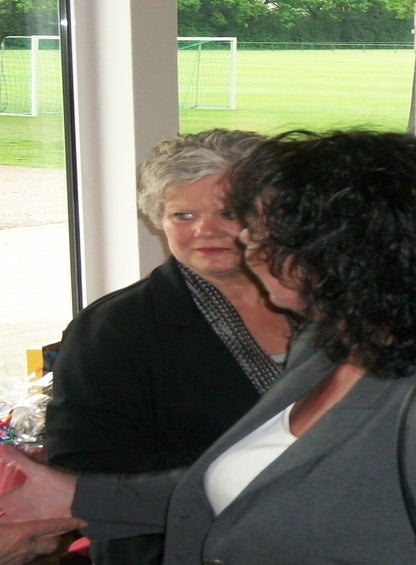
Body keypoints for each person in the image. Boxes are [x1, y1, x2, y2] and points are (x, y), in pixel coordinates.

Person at [2, 130, 416, 564]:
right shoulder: (334, 347)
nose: (247, 246)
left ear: (361, 250)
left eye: (268, 231)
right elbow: (248, 483)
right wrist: (70, 494)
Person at [44, 129, 294, 564]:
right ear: (157, 219)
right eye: (183, 215)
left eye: (229, 212)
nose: (205, 230)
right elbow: (81, 468)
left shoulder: (324, 305)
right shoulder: (112, 329)